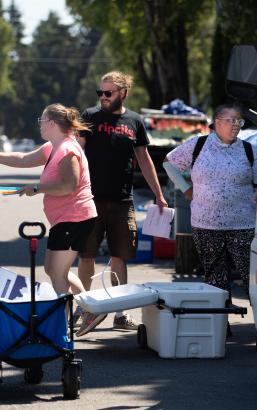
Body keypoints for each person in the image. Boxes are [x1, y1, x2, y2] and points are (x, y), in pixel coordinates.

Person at [76, 70, 167, 334]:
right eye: (100, 93)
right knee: (87, 255)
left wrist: (159, 195)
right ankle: (85, 308)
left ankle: (119, 313)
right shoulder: (90, 117)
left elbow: (145, 160)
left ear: (123, 93)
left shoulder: (134, 121)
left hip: (122, 199)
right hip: (89, 199)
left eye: (108, 93)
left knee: (120, 256)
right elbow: (76, 151)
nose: (103, 97)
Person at [0, 103, 97, 299]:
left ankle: (67, 320)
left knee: (57, 273)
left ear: (52, 123)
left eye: (42, 120)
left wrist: (37, 188)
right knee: (52, 269)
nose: (39, 125)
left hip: (74, 217)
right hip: (66, 218)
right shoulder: (53, 146)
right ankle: (89, 306)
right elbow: (23, 159)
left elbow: (69, 186)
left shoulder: (67, 150)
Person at [164, 103, 257, 303]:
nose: (236, 125)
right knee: (215, 279)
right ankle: (220, 328)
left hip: (243, 225)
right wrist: (186, 189)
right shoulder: (197, 145)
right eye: (231, 120)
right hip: (206, 225)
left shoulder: (250, 151)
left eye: (239, 121)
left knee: (252, 277)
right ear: (216, 123)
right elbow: (169, 163)